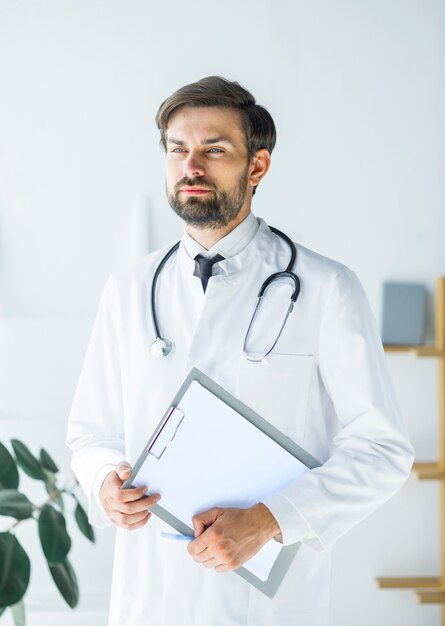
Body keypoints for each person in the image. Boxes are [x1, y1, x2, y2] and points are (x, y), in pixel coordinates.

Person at [66, 76, 414, 626]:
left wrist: (269, 520)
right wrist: (106, 480)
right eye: (178, 149)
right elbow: (90, 433)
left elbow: (382, 449)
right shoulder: (129, 288)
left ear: (257, 167)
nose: (191, 166)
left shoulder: (325, 288)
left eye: (215, 150)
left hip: (268, 602)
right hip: (151, 593)